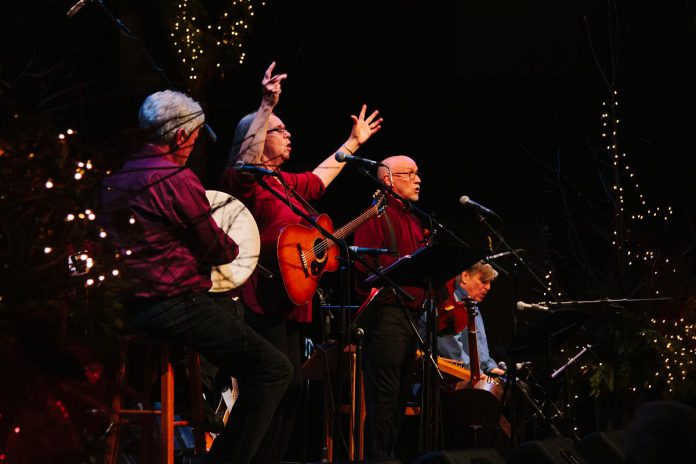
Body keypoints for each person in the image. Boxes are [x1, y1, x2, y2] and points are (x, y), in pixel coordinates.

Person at [99, 87, 293, 464]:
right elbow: (217, 248)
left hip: (126, 307)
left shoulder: (117, 178)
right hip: (173, 305)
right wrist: (229, 249)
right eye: (195, 135)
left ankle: (200, 413)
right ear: (181, 136)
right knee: (275, 369)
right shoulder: (175, 178)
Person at [219, 62, 383, 464]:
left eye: (284, 127)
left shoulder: (285, 182)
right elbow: (245, 156)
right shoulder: (246, 179)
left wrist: (353, 142)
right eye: (279, 129)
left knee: (292, 386)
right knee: (272, 383)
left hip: (294, 298)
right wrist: (265, 105)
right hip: (263, 297)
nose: (288, 132)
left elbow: (321, 177)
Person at [352, 155, 426, 459]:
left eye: (418, 173)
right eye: (409, 173)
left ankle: (391, 457)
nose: (418, 179)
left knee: (399, 401)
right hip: (387, 316)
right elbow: (364, 267)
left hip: (412, 318)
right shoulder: (375, 215)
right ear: (388, 180)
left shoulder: (415, 218)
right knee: (384, 399)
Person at [437, 261, 506, 377]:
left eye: (489, 282)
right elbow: (451, 352)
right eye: (483, 281)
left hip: (474, 374)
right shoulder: (447, 305)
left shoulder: (474, 307)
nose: (488, 287)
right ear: (465, 277)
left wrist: (492, 368)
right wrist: (478, 373)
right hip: (449, 380)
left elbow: (482, 353)